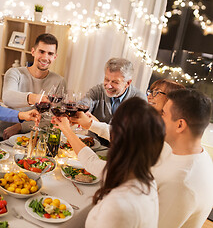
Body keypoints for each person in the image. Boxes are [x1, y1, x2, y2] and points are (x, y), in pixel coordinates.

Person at [52, 97, 165, 227]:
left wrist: (68, 130)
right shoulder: (145, 179)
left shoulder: (118, 206)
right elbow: (91, 161)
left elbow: (92, 162)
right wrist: (67, 131)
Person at [153, 89, 213, 228]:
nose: (159, 119)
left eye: (163, 114)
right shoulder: (200, 156)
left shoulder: (182, 183)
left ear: (180, 125)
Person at [0, 33, 66, 140]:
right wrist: (36, 98)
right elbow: (7, 97)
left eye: (50, 53)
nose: (45, 57)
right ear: (33, 51)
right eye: (41, 51)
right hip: (5, 135)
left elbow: (53, 117)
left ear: (55, 57)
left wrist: (21, 126)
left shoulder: (59, 81)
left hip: (35, 137)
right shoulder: (14, 73)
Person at [74, 79, 185, 141]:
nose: (150, 96)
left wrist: (92, 124)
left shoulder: (166, 130)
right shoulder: (148, 119)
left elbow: (123, 139)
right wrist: (93, 123)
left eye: (156, 92)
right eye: (150, 92)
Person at [81, 58, 146, 125]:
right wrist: (78, 110)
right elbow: (84, 103)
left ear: (128, 83)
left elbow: (127, 134)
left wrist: (96, 125)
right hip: (90, 136)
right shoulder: (98, 90)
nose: (108, 86)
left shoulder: (139, 101)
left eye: (115, 82)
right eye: (106, 79)